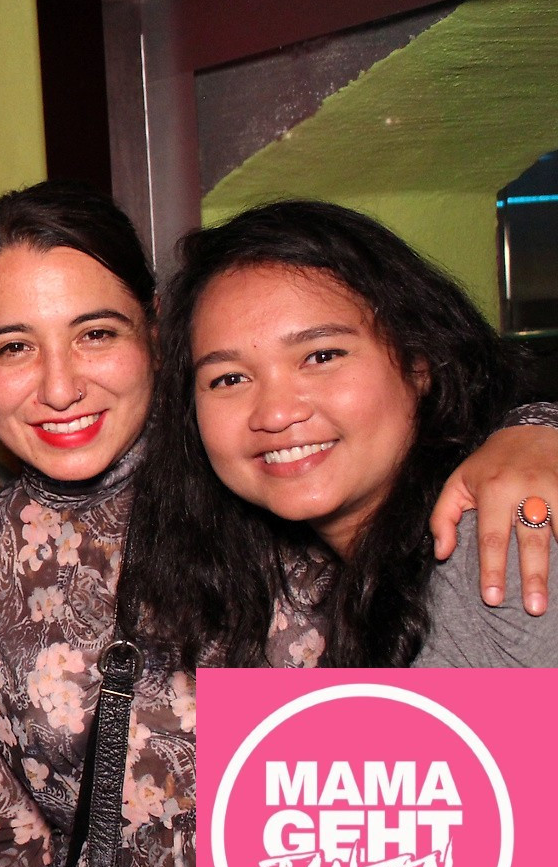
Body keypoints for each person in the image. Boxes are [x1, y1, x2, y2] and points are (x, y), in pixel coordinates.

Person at [0, 184, 558, 867]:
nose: (60, 387)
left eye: (96, 333)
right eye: (14, 345)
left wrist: (532, 423)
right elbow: (3, 840)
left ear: (155, 331)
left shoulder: (438, 541)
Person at [123, 198, 558, 669]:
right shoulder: (281, 568)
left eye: (321, 357)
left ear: (419, 361)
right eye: (229, 378)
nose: (276, 414)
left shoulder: (498, 549)